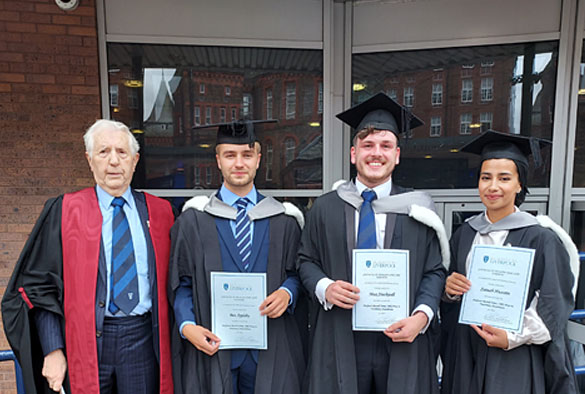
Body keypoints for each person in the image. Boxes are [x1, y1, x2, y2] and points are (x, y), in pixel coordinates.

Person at [1, 119, 175, 394]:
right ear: (89, 160)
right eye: (103, 152)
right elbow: (41, 287)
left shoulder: (162, 213)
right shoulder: (65, 211)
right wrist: (53, 350)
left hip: (143, 340)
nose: (114, 161)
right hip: (82, 344)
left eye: (122, 152)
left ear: (135, 160)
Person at [297, 92, 449, 394]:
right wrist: (325, 286)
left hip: (401, 336)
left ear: (397, 155)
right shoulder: (326, 207)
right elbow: (305, 261)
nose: (376, 153)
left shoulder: (417, 209)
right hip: (341, 335)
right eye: (367, 145)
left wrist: (422, 317)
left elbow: (435, 270)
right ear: (354, 154)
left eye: (385, 146)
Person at [169, 120, 306, 394]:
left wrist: (287, 294)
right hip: (214, 349)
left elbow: (298, 273)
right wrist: (187, 326)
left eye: (246, 154)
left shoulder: (284, 219)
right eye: (230, 155)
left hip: (270, 349)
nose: (239, 163)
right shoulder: (193, 220)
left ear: (258, 159)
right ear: (218, 160)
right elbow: (180, 283)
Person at [440, 130, 580, 394]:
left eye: (504, 178)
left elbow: (554, 304)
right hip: (467, 350)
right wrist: (449, 290)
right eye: (485, 178)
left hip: (514, 355)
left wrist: (512, 337)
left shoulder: (542, 237)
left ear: (519, 184)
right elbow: (451, 294)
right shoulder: (465, 233)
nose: (493, 187)